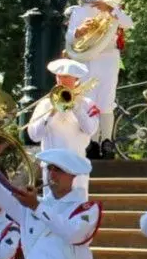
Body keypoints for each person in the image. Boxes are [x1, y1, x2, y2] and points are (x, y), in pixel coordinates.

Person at [65, 0, 133, 158]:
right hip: (87, 57)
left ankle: (107, 141)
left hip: (108, 57)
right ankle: (93, 142)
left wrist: (110, 8)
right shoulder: (78, 11)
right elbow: (69, 36)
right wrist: (79, 31)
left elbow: (128, 23)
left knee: (107, 99)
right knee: (89, 99)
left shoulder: (112, 7)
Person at [27, 58, 99, 197]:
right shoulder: (45, 104)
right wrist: (50, 113)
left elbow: (91, 130)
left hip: (76, 166)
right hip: (52, 166)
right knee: (51, 205)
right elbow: (34, 136)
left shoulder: (87, 104)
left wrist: (76, 107)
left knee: (76, 209)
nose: (61, 80)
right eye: (58, 76)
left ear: (75, 79)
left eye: (65, 77)